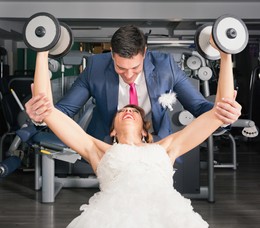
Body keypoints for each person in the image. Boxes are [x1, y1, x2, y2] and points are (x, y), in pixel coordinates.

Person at [33, 35, 235, 228]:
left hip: (167, 218)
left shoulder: (167, 148)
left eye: (135, 112)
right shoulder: (98, 149)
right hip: (112, 225)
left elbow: (218, 112)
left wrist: (226, 55)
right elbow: (49, 111)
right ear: (111, 131)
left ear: (145, 131)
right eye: (121, 112)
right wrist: (42, 52)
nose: (128, 110)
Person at [26, 25, 241, 142]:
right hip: (108, 144)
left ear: (144, 54)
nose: (128, 75)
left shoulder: (166, 66)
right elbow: (64, 110)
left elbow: (200, 108)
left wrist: (224, 116)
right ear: (112, 55)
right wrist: (41, 117)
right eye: (121, 68)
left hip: (156, 143)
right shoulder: (95, 68)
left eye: (135, 68)